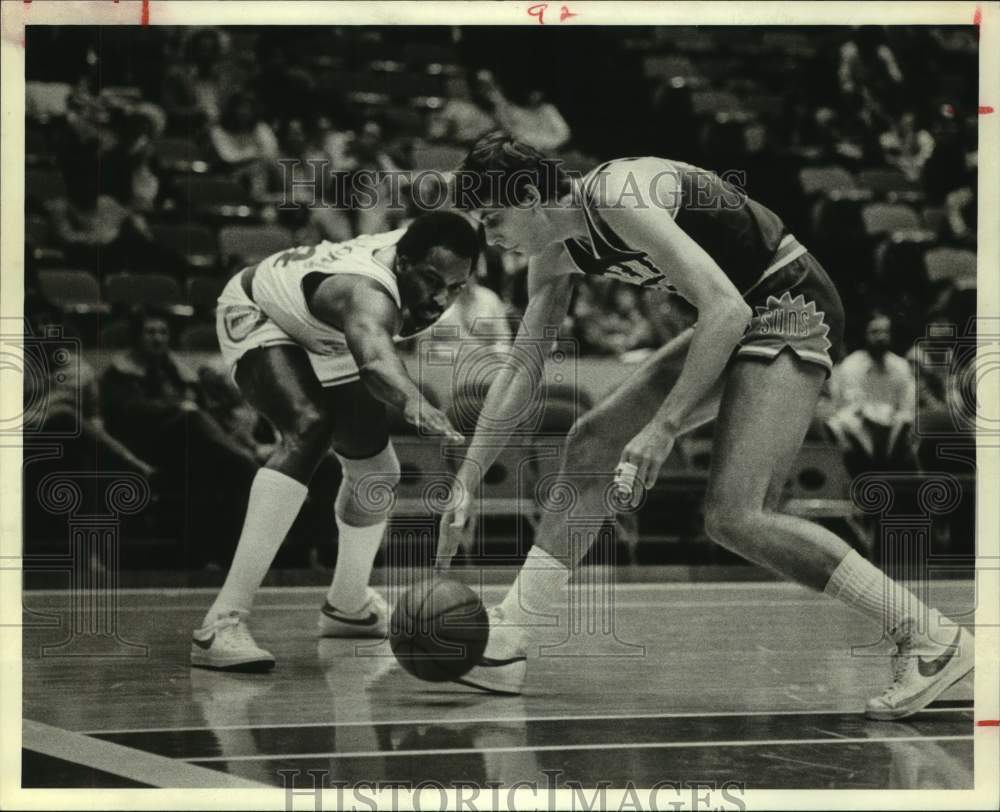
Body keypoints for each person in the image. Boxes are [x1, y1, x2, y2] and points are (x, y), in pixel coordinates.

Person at [437, 133, 973, 721]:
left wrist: (663, 429)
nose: (489, 237)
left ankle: (931, 638)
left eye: (494, 219)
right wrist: (466, 478)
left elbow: (727, 310)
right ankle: (512, 637)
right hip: (741, 311)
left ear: (534, 197)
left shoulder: (617, 194)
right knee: (591, 441)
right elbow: (520, 368)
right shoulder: (555, 255)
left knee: (735, 516)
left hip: (792, 302)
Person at [192, 211, 479, 671]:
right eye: (431, 280)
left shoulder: (418, 249)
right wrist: (415, 403)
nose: (441, 298)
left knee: (377, 472)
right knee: (308, 426)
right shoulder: (366, 292)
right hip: (261, 312)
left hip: (323, 332)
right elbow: (376, 362)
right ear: (402, 263)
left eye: (455, 288)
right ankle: (220, 623)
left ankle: (348, 605)